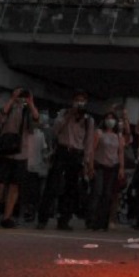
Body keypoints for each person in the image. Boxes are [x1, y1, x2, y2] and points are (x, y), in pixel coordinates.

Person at [39, 90, 93, 230]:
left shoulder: (88, 120)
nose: (79, 103)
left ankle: (64, 219)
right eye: (77, 100)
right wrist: (69, 115)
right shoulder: (63, 113)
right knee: (52, 184)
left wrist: (87, 161)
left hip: (76, 154)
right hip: (62, 150)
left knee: (71, 188)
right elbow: (55, 131)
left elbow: (88, 142)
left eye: (82, 100)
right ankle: (43, 218)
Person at [0, 88, 40, 228]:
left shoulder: (28, 110)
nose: (21, 97)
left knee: (14, 186)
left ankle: (7, 216)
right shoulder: (8, 107)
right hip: (5, 151)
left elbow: (37, 120)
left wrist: (30, 103)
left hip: (21, 152)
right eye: (19, 94)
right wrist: (12, 99)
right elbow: (0, 118)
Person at [85, 112, 125, 232]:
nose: (110, 120)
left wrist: (121, 168)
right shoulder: (99, 133)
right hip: (100, 165)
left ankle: (103, 221)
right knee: (97, 192)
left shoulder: (118, 136)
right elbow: (92, 149)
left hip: (112, 167)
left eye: (113, 118)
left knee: (108, 194)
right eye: (108, 118)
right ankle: (92, 219)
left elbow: (121, 152)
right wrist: (90, 166)